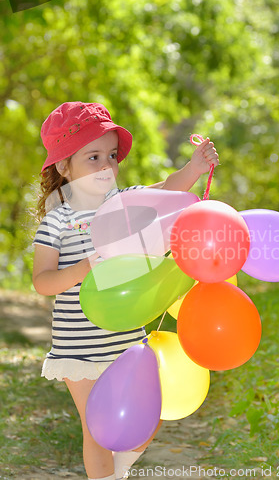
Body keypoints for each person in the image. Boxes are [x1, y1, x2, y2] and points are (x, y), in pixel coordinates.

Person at [32, 101, 219, 480]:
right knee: (97, 429)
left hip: (125, 335)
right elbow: (42, 281)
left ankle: (118, 473)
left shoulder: (123, 202)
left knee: (146, 420)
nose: (106, 166)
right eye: (93, 156)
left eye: (112, 156)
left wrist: (195, 168)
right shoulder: (58, 220)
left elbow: (167, 189)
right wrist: (83, 269)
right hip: (79, 345)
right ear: (64, 166)